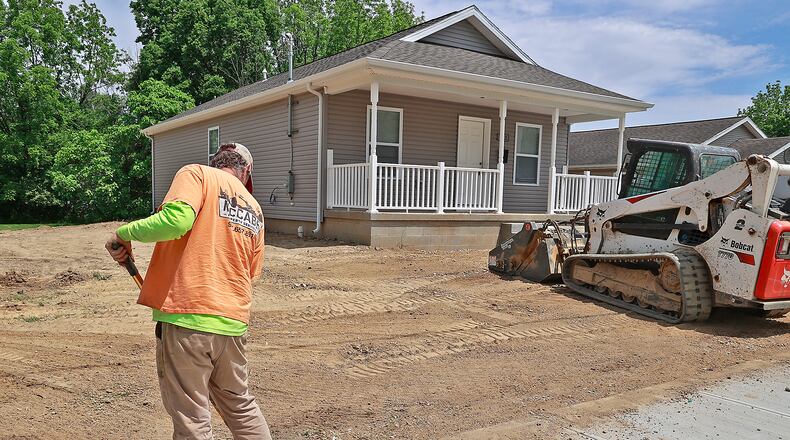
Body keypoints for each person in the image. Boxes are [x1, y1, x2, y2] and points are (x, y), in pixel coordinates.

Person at [105, 143, 271, 440]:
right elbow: (251, 274)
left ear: (215, 162)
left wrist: (124, 233)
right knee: (240, 406)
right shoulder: (254, 209)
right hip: (232, 324)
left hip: (188, 319)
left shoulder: (197, 174)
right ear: (246, 172)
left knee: (192, 417)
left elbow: (176, 221)